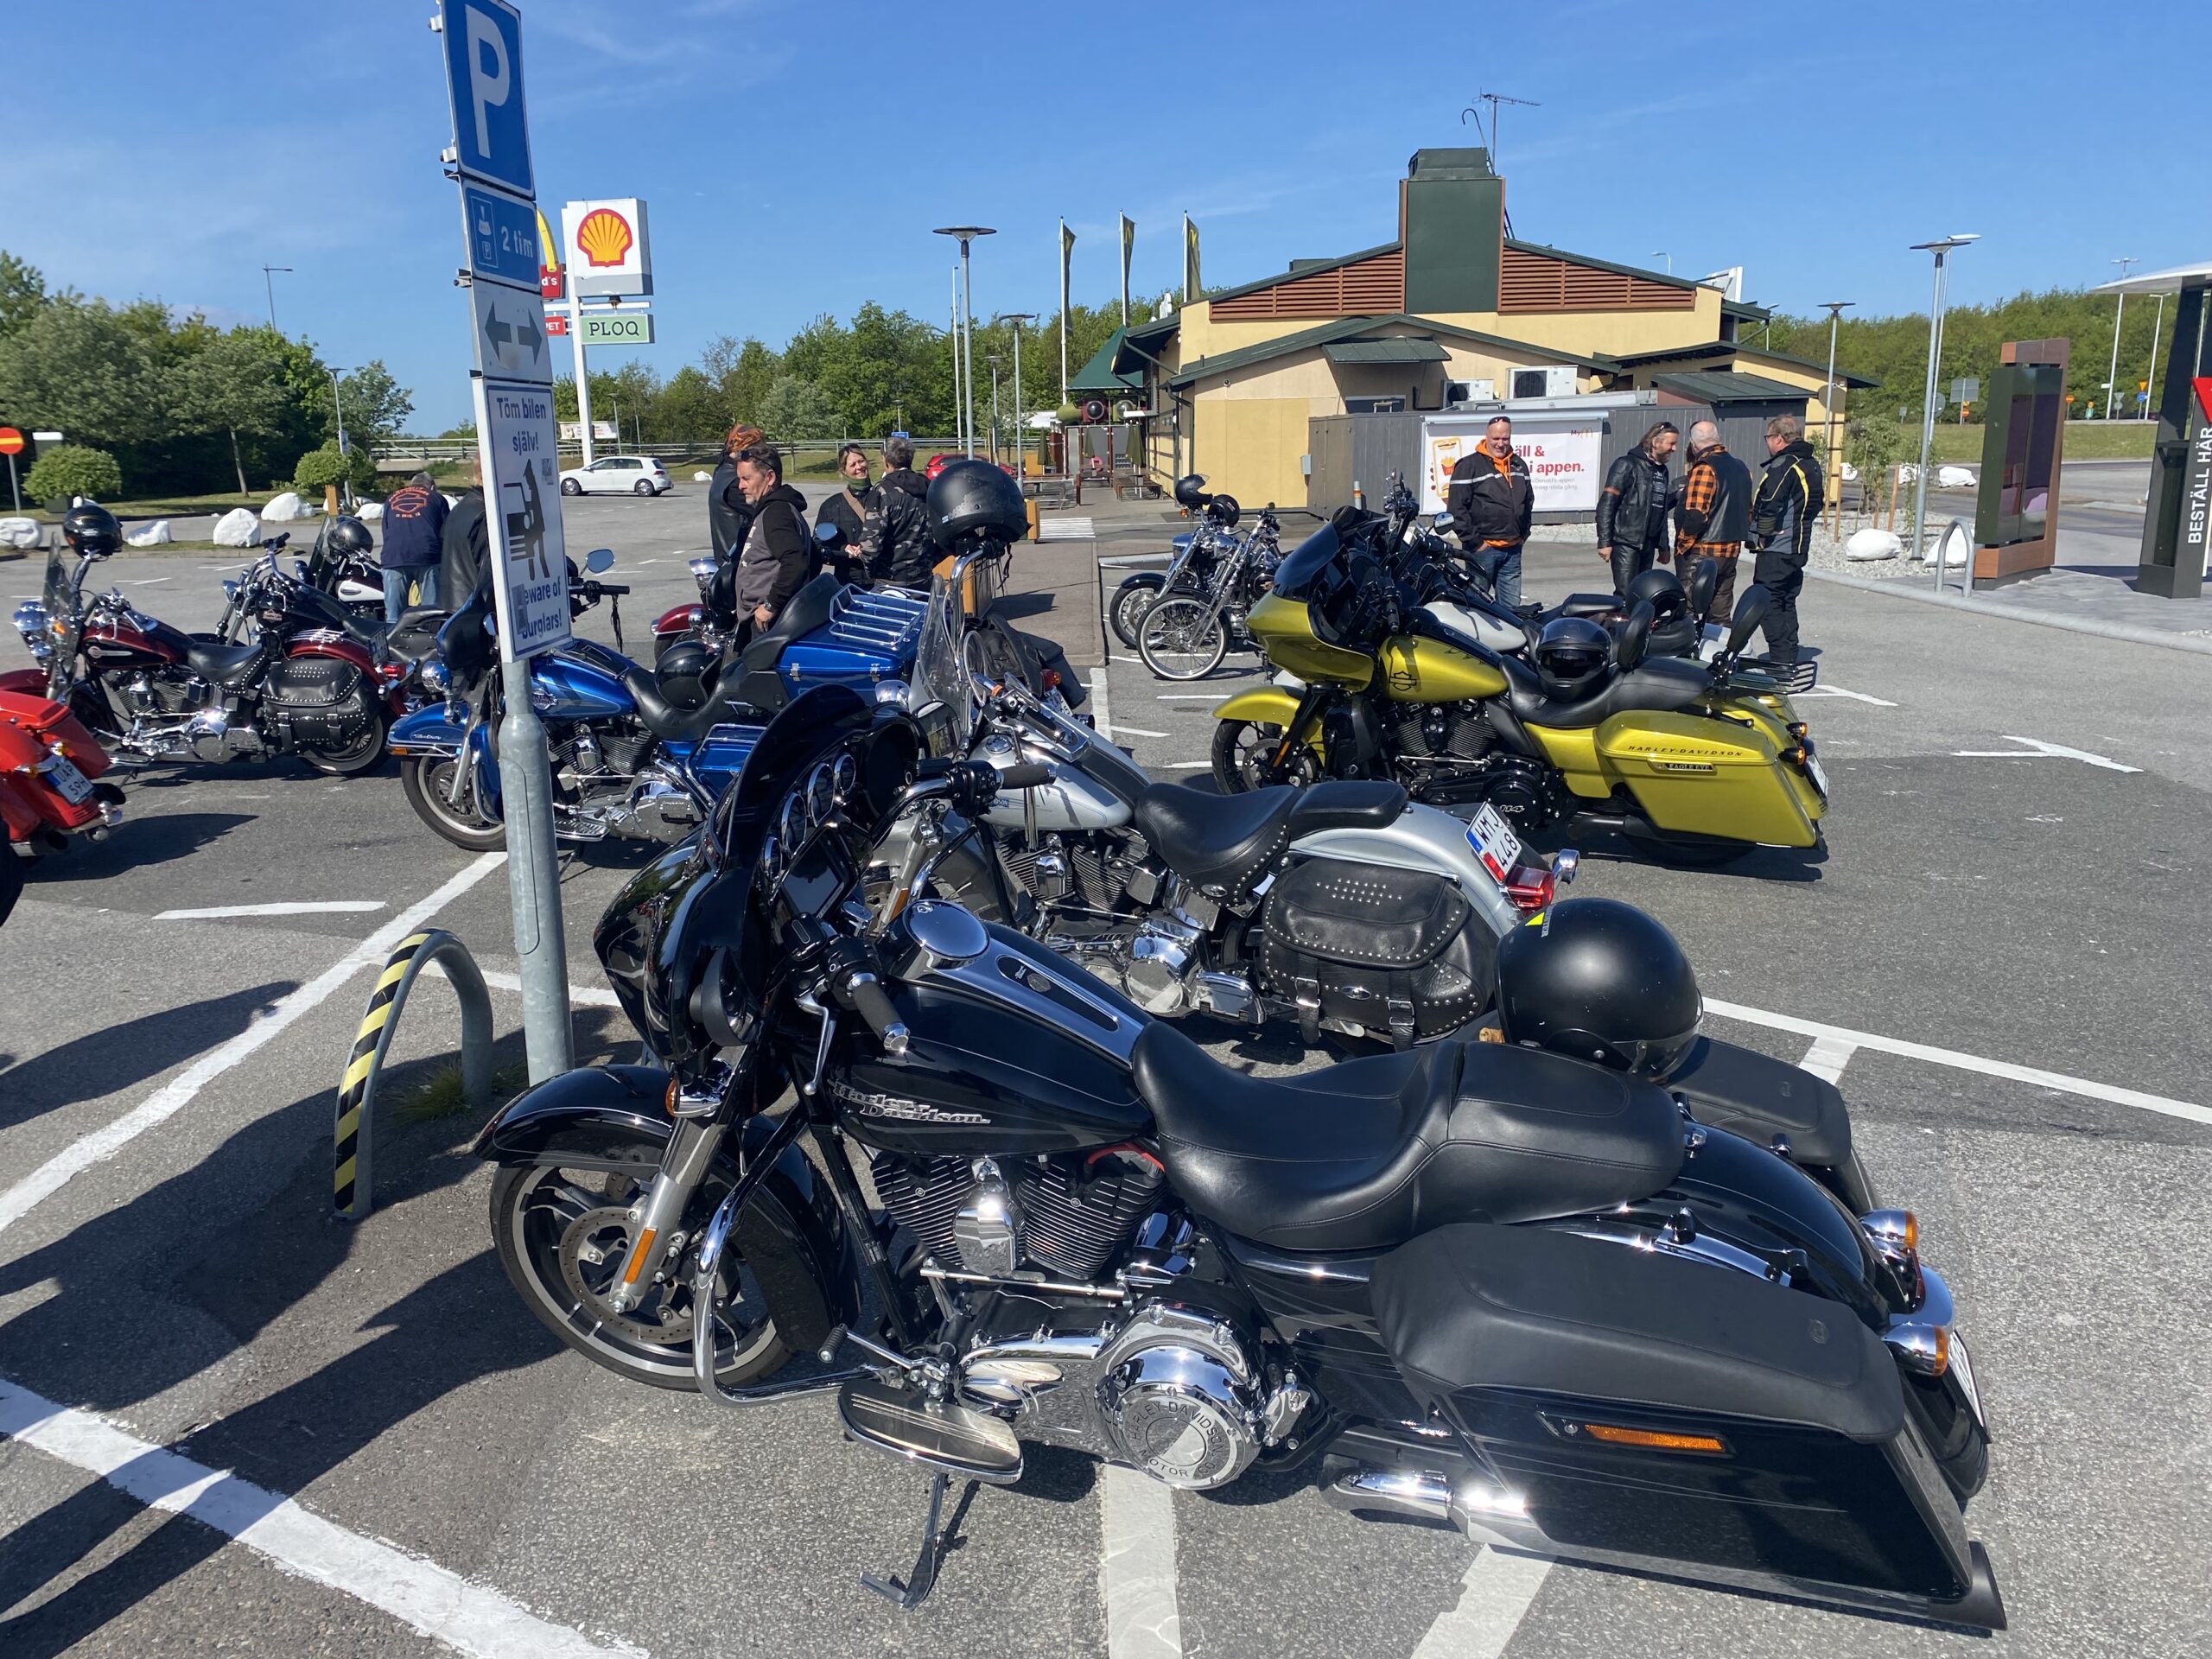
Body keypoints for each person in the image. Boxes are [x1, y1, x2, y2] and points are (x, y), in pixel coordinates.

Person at [1748, 413, 1824, 668]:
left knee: (1767, 600)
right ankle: (1789, 655)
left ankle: (1780, 659)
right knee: (1786, 599)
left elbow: (1770, 500)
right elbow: (1817, 504)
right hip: (1799, 545)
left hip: (1778, 548)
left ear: (1779, 438)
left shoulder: (1785, 464)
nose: (1767, 443)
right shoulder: (1811, 464)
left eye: (1768, 437)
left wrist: (1762, 534)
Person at [1446, 415, 1533, 608]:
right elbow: (1456, 509)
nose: (1501, 444)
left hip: (1512, 550)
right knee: (1478, 607)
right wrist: (1476, 543)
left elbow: (1528, 501)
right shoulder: (1469, 466)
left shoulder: (1519, 465)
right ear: (1487, 436)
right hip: (1482, 551)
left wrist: (1523, 534)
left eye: (1505, 438)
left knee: (1512, 611)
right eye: (1496, 438)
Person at [730, 442, 812, 637]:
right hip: (766, 619)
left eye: (746, 478)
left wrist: (771, 604)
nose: (740, 486)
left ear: (770, 477)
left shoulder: (777, 513)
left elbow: (796, 562)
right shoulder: (773, 510)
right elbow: (813, 558)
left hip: (770, 622)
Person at [1675, 421, 1753, 624]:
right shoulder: (1741, 468)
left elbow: (1696, 515)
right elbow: (1748, 511)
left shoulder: (1705, 468)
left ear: (1693, 445)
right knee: (1720, 613)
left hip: (1704, 550)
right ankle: (1720, 643)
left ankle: (1688, 644)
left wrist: (1683, 543)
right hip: (1731, 550)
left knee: (1687, 609)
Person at [1595, 421, 1679, 596]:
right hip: (1626, 542)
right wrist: (1604, 542)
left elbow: (1661, 510)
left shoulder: (1662, 471)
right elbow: (1607, 504)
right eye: (1671, 444)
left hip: (1648, 544)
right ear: (1655, 442)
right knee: (1626, 594)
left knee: (1643, 593)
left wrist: (1663, 546)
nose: (1674, 449)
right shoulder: (1626, 465)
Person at [861, 434, 935, 589]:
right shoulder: (928, 486)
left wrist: (871, 572)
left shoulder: (882, 490)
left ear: (886, 460)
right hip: (924, 577)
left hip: (891, 581)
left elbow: (870, 545)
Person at [378, 471, 448, 623]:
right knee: (431, 614)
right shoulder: (436, 498)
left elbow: (386, 529)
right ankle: (430, 635)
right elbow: (446, 532)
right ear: (432, 487)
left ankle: (393, 636)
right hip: (427, 557)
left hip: (394, 557)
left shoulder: (391, 498)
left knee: (394, 617)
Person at [708, 423, 765, 564]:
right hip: (741, 564)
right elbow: (767, 515)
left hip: (730, 561)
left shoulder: (722, 472)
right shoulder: (736, 484)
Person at [440, 455, 489, 607]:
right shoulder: (486, 516)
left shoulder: (460, 508)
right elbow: (491, 577)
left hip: (454, 604)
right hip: (475, 609)